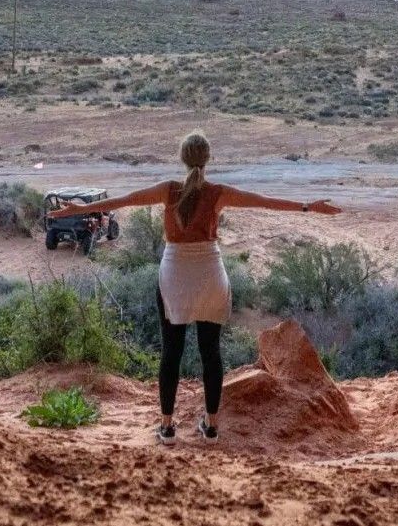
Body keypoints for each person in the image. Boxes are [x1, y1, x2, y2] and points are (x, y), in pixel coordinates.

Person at [46, 131, 340, 444]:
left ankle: (167, 427)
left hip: (175, 274)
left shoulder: (167, 190)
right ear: (208, 158)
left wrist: (77, 210)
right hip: (210, 275)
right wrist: (308, 206)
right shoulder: (218, 193)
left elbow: (124, 200)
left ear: (183, 158)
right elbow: (264, 202)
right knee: (210, 352)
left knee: (171, 352)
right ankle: (211, 427)